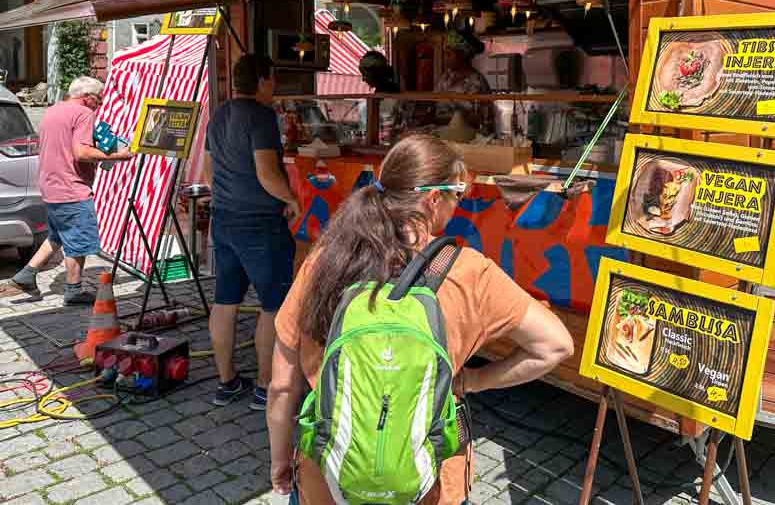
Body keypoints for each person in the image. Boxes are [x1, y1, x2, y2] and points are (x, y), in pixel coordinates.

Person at [267, 134, 574, 504]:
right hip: (430, 482)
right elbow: (555, 345)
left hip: (328, 478)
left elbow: (282, 385)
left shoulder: (325, 261)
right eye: (457, 196)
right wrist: (473, 380)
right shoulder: (469, 272)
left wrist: (281, 461)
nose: (457, 207)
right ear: (433, 199)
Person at [205, 54, 302, 409]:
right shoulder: (261, 117)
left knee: (225, 301)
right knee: (273, 305)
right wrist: (291, 198)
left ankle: (226, 381)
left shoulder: (218, 115)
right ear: (262, 80)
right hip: (260, 221)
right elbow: (267, 173)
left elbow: (208, 170)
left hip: (224, 217)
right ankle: (265, 386)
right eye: (272, 78)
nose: (274, 85)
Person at [9, 76, 133, 303]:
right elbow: (81, 153)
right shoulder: (85, 114)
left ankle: (27, 275)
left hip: (50, 184)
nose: (101, 104)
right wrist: (118, 155)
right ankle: (74, 290)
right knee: (78, 240)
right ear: (87, 98)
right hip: (71, 187)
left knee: (58, 234)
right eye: (99, 99)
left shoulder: (53, 110)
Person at [434, 30, 495, 135]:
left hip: (469, 138)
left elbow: (482, 119)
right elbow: (436, 105)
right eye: (445, 53)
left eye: (449, 53)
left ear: (463, 54)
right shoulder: (445, 78)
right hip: (444, 136)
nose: (446, 57)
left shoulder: (477, 82)